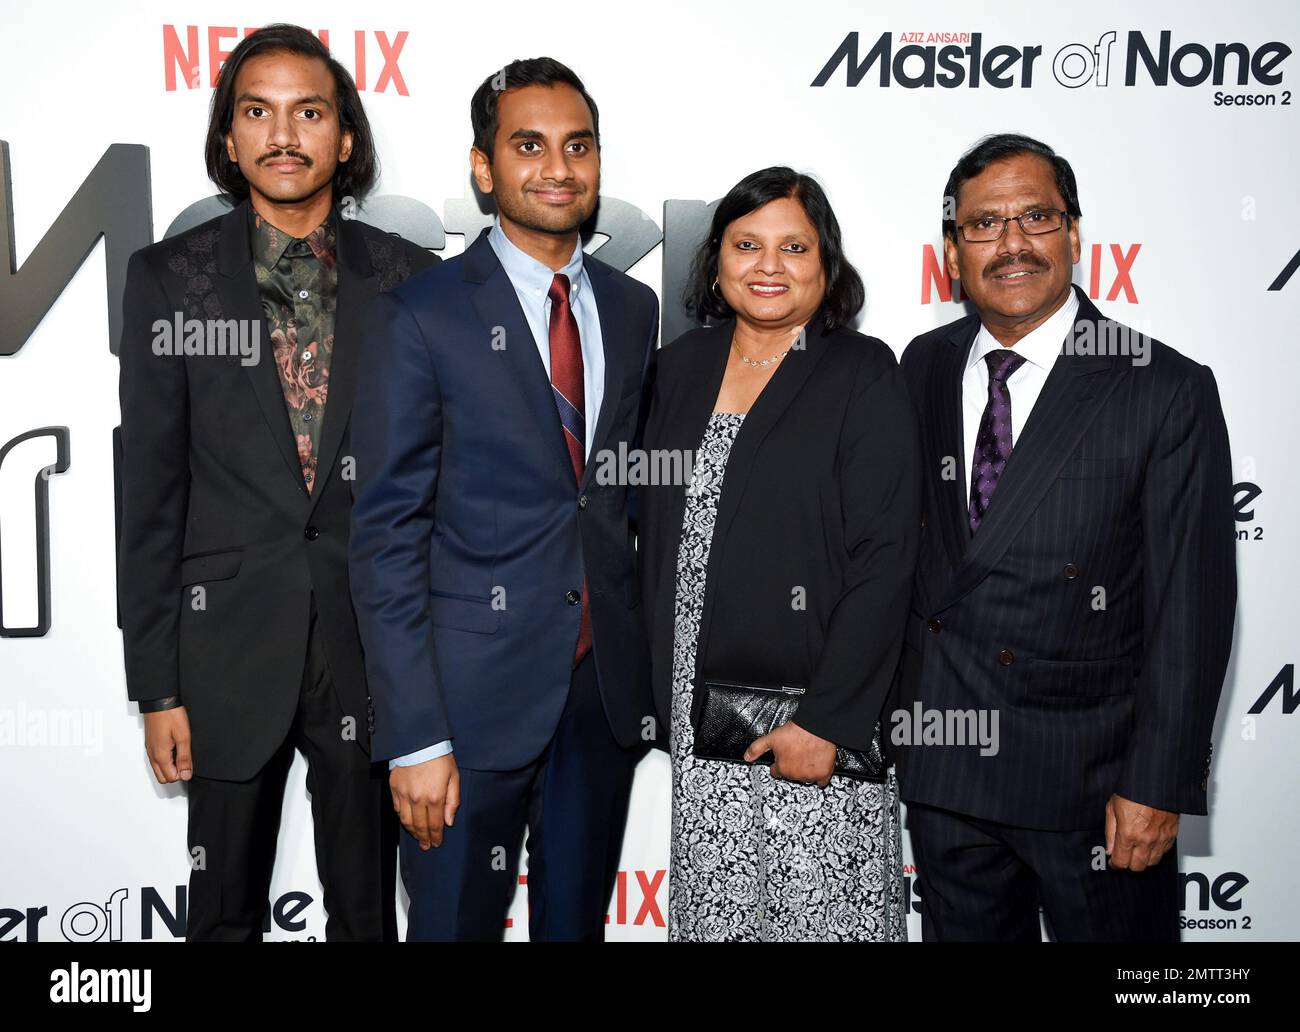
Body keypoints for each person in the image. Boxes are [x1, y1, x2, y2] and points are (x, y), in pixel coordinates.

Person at [118, 25, 438, 940]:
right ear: (229, 136)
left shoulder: (413, 281)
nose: (283, 133)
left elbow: (438, 485)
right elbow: (148, 492)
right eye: (257, 111)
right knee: (221, 917)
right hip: (222, 654)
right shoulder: (168, 280)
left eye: (310, 111)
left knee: (369, 917)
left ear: (347, 137)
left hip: (371, 649)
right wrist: (158, 685)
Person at [893, 133, 1236, 941]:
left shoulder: (1162, 385)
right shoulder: (925, 363)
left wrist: (1156, 786)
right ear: (953, 251)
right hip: (948, 773)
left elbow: (1192, 608)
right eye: (983, 225)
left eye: (1035, 218)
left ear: (1075, 236)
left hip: (1094, 789)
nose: (1011, 244)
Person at [348, 57, 659, 941]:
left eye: (577, 146)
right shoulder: (423, 314)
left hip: (597, 698)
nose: (558, 168)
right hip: (463, 712)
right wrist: (413, 736)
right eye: (529, 146)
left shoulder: (634, 309)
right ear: (484, 168)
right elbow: (386, 536)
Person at [638, 166, 920, 941]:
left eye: (793, 246)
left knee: (821, 922)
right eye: (747, 244)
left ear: (825, 265)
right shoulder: (679, 367)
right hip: (700, 724)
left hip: (809, 726)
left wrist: (828, 721)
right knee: (720, 923)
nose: (768, 265)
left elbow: (886, 556)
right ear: (715, 260)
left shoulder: (862, 372)